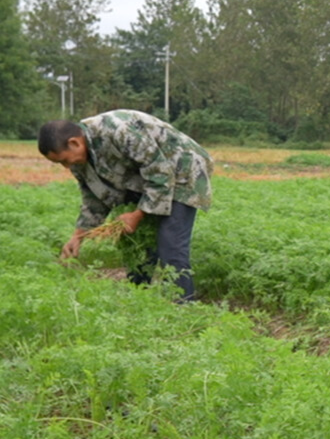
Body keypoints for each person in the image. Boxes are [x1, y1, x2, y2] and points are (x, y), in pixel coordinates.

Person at [39, 110, 213, 301]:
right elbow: (94, 197)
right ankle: (138, 297)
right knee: (136, 241)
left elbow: (160, 174)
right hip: (144, 176)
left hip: (182, 170)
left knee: (170, 243)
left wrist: (137, 214)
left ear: (74, 143)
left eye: (64, 160)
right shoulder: (79, 161)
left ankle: (183, 304)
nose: (66, 166)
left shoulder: (120, 131)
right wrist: (78, 236)